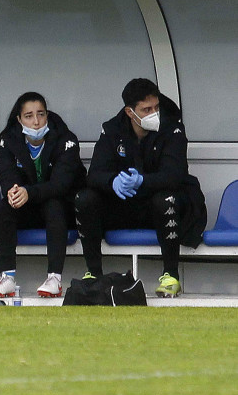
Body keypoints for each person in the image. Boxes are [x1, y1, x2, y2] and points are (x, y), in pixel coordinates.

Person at [74, 78, 206, 297]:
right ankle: (94, 274)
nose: (154, 113)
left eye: (156, 107)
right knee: (85, 198)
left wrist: (143, 180)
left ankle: (170, 275)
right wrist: (112, 182)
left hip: (158, 207)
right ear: (129, 112)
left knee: (165, 199)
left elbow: (175, 175)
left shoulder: (172, 129)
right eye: (146, 109)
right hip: (123, 206)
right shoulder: (111, 130)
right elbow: (94, 175)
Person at [0, 92, 86, 298]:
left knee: (53, 204)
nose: (36, 121)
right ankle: (7, 278)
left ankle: (54, 279)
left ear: (47, 115)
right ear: (19, 119)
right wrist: (13, 191)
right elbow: (7, 176)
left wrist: (28, 192)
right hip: (27, 207)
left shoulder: (66, 139)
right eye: (29, 116)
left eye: (41, 114)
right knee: (6, 206)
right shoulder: (8, 140)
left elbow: (61, 185)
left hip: (62, 209)